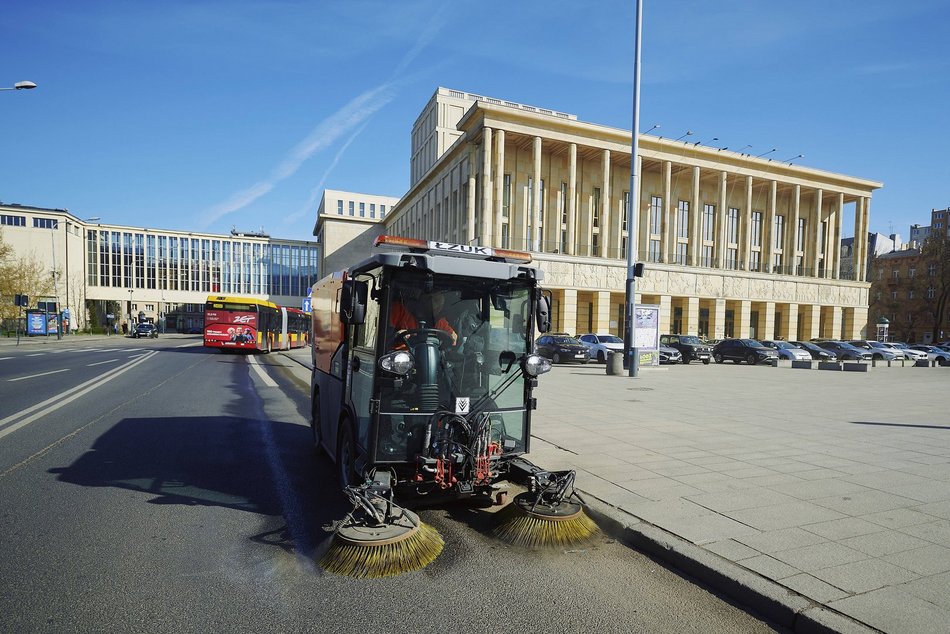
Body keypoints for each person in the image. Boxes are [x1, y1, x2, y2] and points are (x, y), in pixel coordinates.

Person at [390, 290, 457, 346]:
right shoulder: (399, 309)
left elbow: (453, 336)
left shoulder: (439, 322)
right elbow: (384, 335)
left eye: (441, 305)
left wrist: (452, 337)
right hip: (399, 357)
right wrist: (397, 334)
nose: (438, 307)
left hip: (428, 357)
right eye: (435, 301)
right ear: (423, 298)